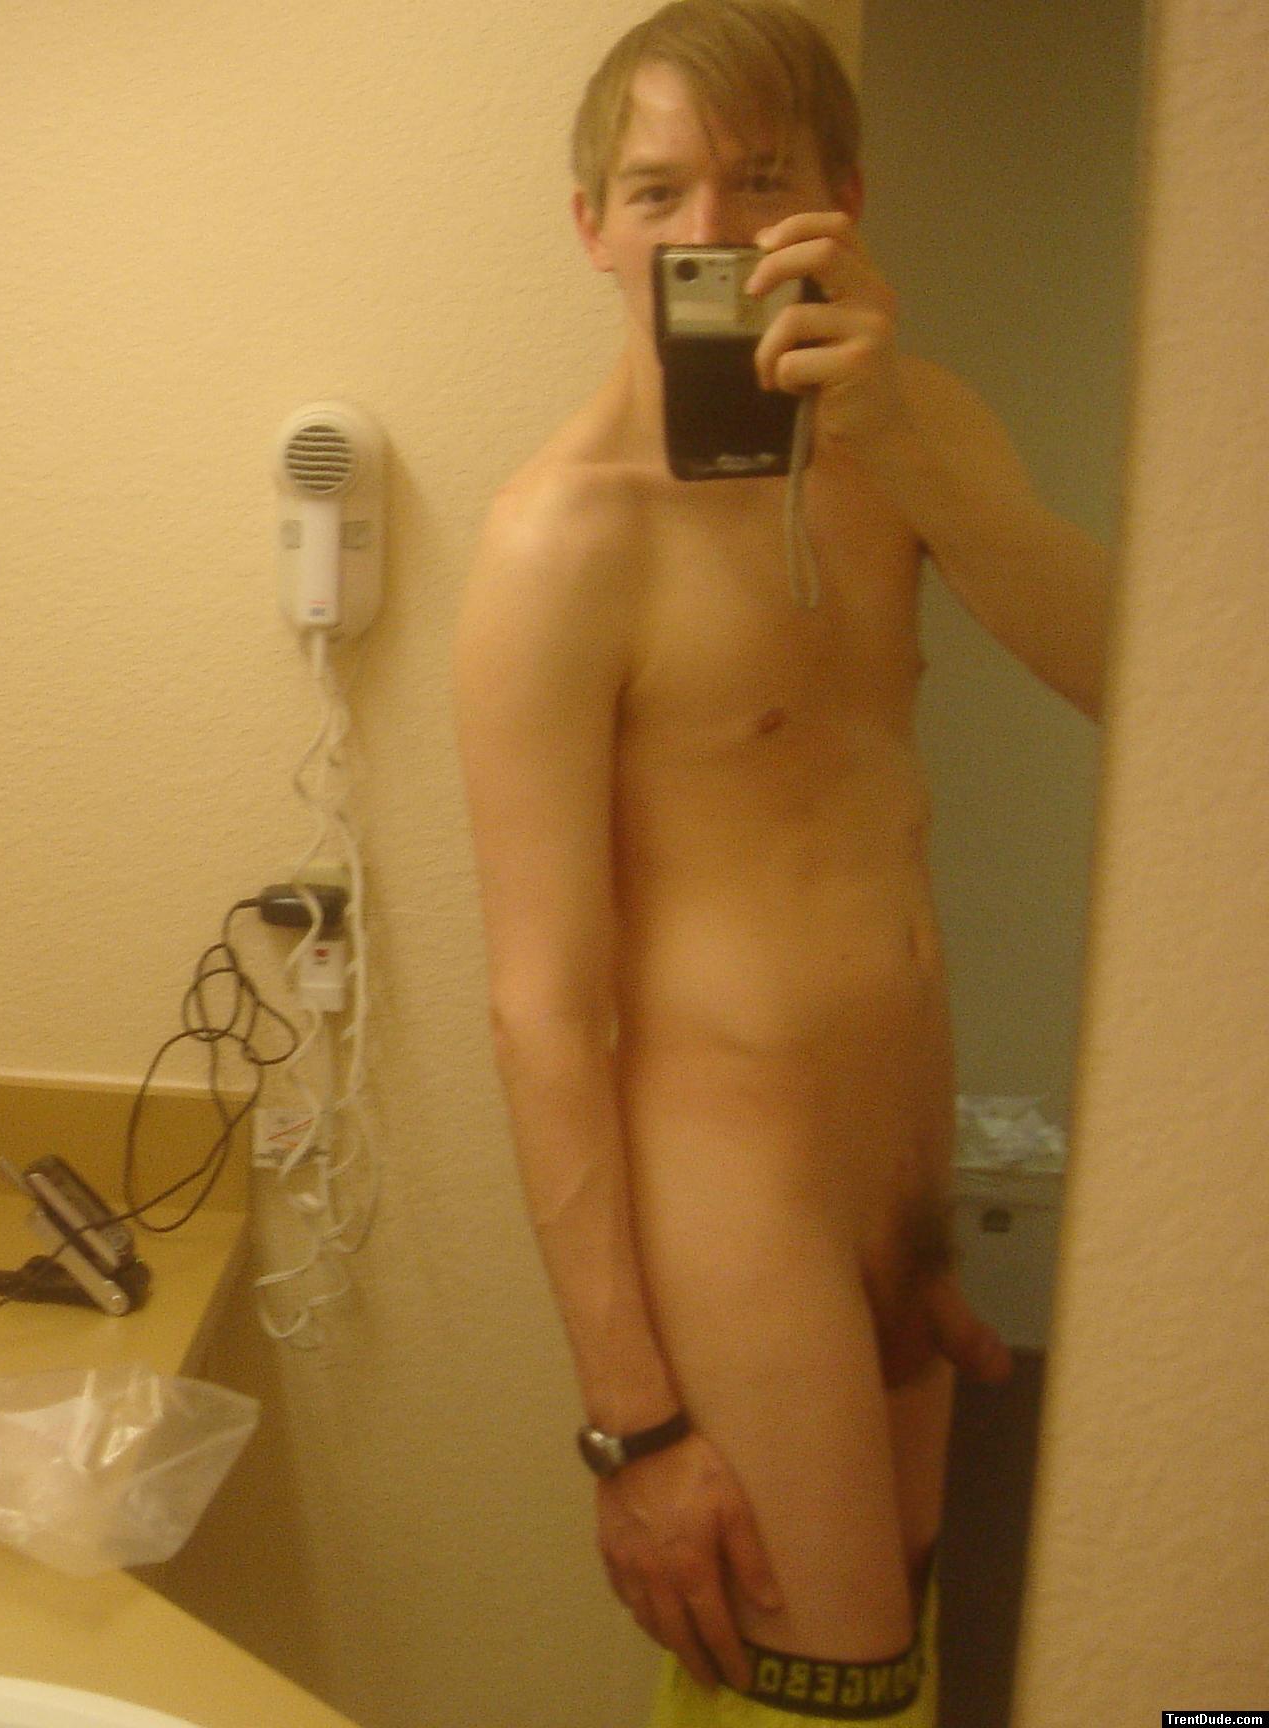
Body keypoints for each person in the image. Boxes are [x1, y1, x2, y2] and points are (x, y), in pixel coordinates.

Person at [451, 2, 1107, 1722]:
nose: (716, 230)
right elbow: (541, 1010)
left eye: (762, 178)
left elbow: (1146, 685)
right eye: (658, 190)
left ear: (844, 199)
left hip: (906, 1184)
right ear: (592, 228)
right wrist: (631, 1425)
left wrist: (906, 448)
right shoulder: (561, 540)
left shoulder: (912, 435)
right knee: (824, 1696)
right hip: (734, 1207)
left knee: (900, 1669)